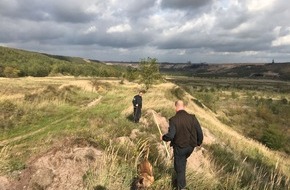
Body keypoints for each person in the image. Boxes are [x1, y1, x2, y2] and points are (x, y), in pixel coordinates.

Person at [161, 100, 203, 190]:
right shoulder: (192, 118)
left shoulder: (173, 120)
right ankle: (177, 181)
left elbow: (171, 135)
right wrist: (198, 142)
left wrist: (163, 137)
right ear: (184, 106)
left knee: (179, 167)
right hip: (191, 147)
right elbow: (199, 132)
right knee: (181, 163)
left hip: (180, 147)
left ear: (175, 107)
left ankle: (181, 187)